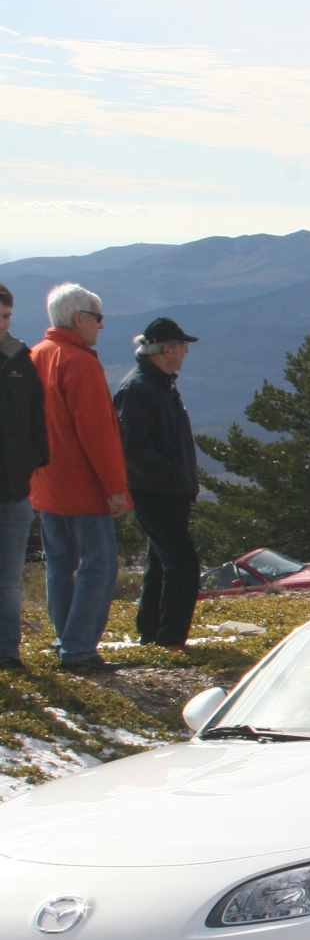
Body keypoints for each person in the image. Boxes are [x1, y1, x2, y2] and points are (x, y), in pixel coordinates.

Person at [31, 283, 130, 672]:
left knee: (59, 564)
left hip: (43, 483)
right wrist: (115, 488)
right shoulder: (81, 363)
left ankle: (65, 638)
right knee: (98, 565)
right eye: (98, 318)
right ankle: (79, 648)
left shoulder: (36, 356)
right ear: (79, 319)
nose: (101, 327)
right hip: (82, 486)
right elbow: (97, 433)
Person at [114, 318, 203, 650]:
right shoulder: (137, 389)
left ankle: (151, 632)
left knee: (160, 565)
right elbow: (133, 450)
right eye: (182, 346)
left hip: (168, 490)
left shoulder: (160, 383)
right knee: (183, 565)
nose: (185, 352)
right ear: (166, 349)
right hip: (155, 492)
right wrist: (171, 476)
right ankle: (171, 640)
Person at [0, 285, 49, 672]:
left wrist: (35, 459)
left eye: (6, 317)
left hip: (15, 489)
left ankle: (8, 653)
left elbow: (37, 414)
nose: (2, 325)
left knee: (10, 581)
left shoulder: (20, 358)